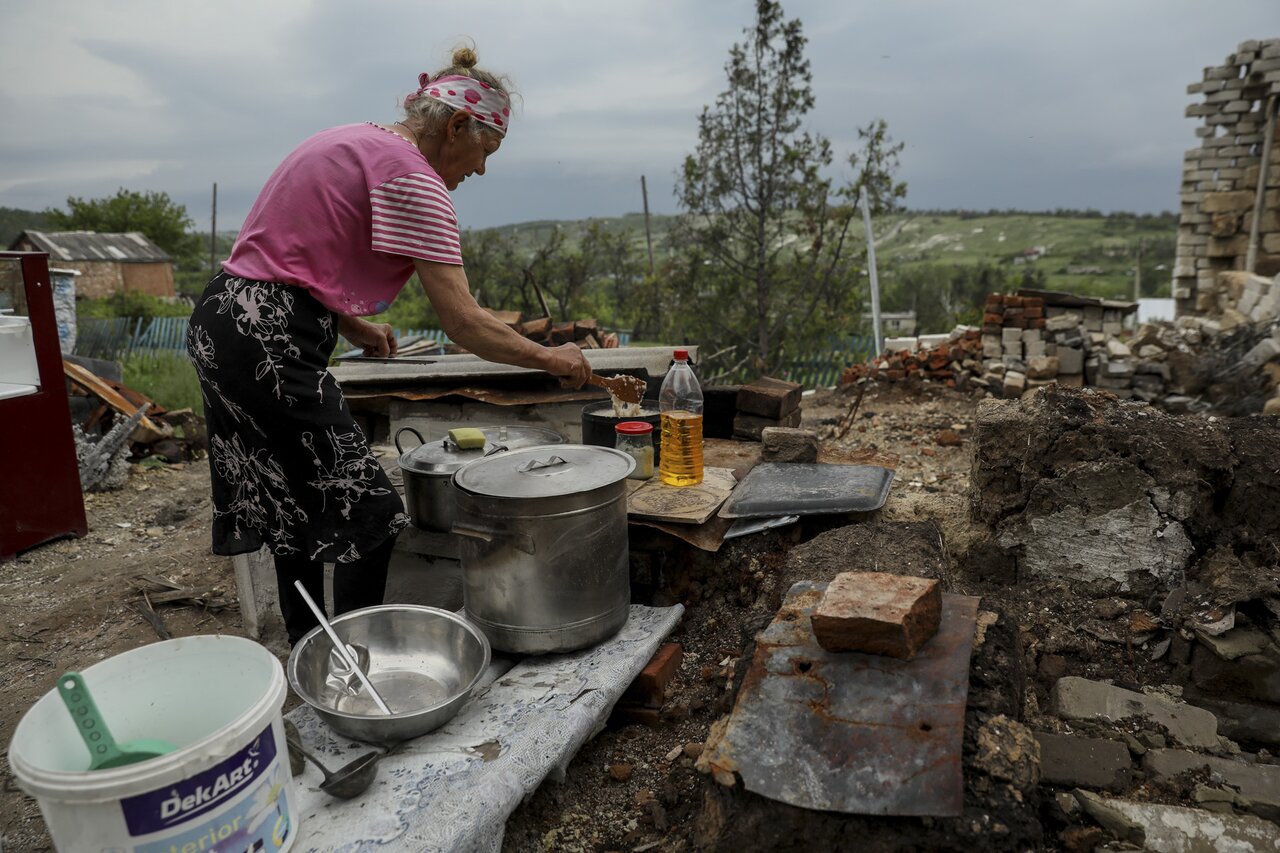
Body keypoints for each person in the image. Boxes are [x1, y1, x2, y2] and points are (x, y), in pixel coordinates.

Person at [187, 46, 590, 644]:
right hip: (269, 340)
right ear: (457, 126)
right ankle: (354, 666)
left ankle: (309, 653)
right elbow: (465, 322)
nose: (479, 171)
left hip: (225, 321)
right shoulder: (416, 180)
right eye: (486, 152)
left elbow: (288, 254)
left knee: (288, 502)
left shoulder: (354, 140)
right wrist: (552, 358)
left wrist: (351, 323)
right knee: (370, 515)